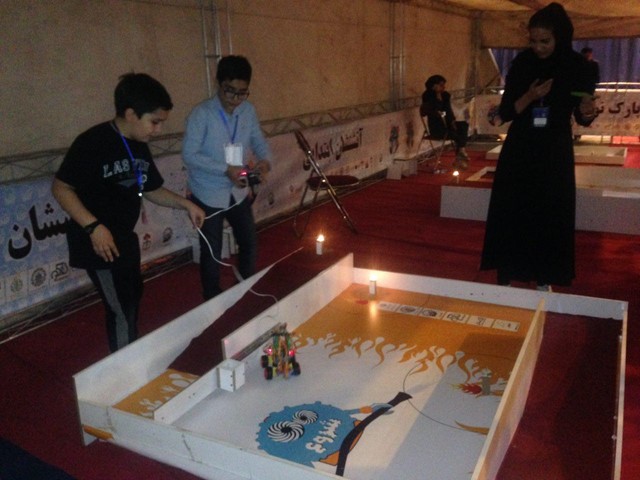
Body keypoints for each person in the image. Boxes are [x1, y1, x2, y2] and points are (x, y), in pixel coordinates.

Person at [52, 73, 205, 352]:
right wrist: (93, 227)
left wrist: (187, 204)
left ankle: (129, 351)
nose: (158, 130)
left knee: (132, 297)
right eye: (154, 122)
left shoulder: (138, 145)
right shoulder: (92, 142)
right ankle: (127, 368)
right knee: (121, 308)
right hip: (97, 242)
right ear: (131, 114)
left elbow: (150, 188)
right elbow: (61, 188)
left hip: (123, 237)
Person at [480, 2, 597, 291]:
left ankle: (545, 275)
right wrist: (530, 96)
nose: (538, 47)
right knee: (513, 207)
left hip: (554, 147)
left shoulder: (576, 66)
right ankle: (507, 271)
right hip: (521, 145)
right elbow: (506, 112)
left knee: (550, 210)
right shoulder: (523, 64)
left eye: (545, 41)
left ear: (560, 38)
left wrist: (587, 110)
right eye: (533, 41)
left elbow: (583, 116)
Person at [182, 55, 272, 300]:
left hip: (237, 190)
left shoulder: (248, 110)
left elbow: (259, 141)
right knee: (212, 251)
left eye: (242, 93)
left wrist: (265, 162)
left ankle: (244, 289)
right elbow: (189, 155)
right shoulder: (201, 114)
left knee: (249, 242)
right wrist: (225, 169)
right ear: (218, 83)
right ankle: (212, 300)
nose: (235, 99)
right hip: (208, 191)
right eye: (229, 91)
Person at [420, 74, 470, 169]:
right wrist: (438, 99)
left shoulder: (445, 95)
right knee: (457, 134)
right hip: (436, 126)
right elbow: (433, 112)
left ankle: (461, 151)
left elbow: (448, 111)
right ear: (434, 85)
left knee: (463, 125)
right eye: (441, 85)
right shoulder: (427, 96)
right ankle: (460, 156)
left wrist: (452, 121)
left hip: (447, 122)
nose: (444, 87)